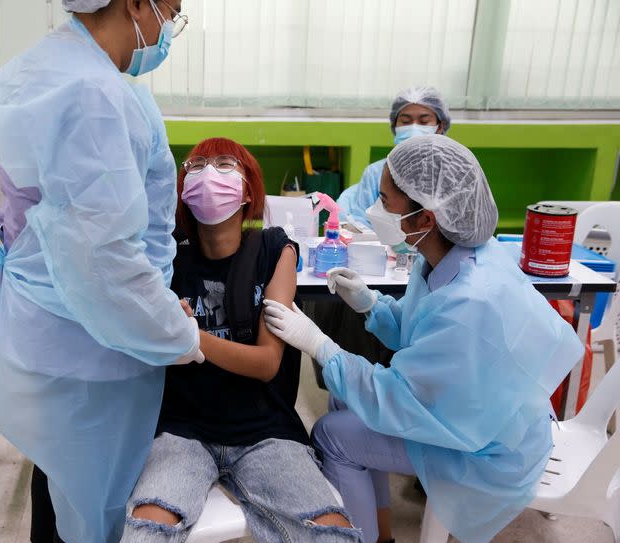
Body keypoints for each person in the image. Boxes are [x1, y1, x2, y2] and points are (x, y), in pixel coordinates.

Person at [0, 1, 203, 542]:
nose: (172, 28)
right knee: (90, 502)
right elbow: (103, 259)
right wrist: (172, 331)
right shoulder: (94, 94)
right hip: (89, 339)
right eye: (172, 11)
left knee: (61, 485)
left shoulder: (60, 68)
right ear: (137, 4)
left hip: (58, 327)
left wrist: (154, 307)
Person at [262, 135, 584, 543]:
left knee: (331, 435)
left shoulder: (470, 302)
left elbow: (396, 396)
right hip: (481, 408)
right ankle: (382, 532)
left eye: (385, 201)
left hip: (487, 444)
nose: (374, 211)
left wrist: (320, 345)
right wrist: (371, 305)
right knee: (345, 399)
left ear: (425, 219)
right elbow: (424, 330)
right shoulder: (452, 257)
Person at [121, 138, 364, 543]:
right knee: (147, 529)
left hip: (266, 431)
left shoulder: (274, 249)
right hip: (183, 430)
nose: (208, 174)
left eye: (223, 163)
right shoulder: (167, 258)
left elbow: (266, 362)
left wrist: (189, 337)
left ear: (248, 188)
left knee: (330, 532)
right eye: (195, 166)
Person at [337, 87, 451, 226]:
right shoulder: (376, 173)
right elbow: (361, 224)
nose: (414, 127)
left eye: (424, 121)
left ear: (440, 127)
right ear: (394, 125)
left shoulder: (451, 173)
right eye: (406, 121)